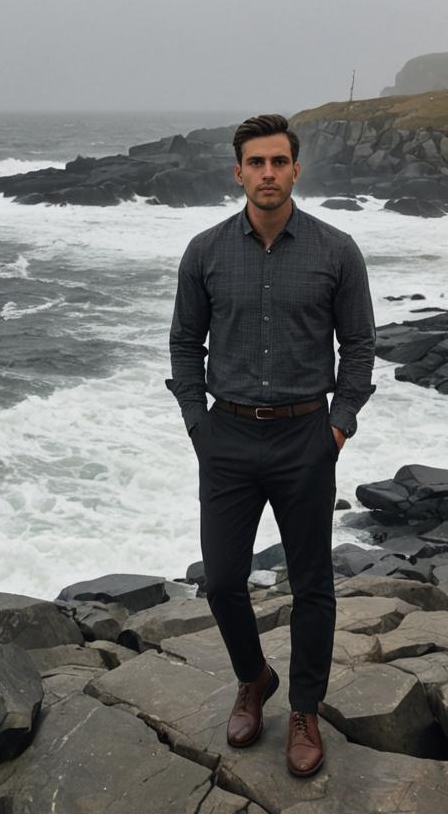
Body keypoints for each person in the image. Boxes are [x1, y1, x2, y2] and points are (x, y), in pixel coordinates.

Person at [166, 113, 376, 777]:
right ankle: (254, 678)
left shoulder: (336, 250)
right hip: (225, 434)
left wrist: (337, 425)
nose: (266, 174)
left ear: (295, 169)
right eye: (254, 163)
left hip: (304, 435)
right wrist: (198, 423)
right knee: (224, 579)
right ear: (237, 172)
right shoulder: (204, 252)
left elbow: (361, 345)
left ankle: (306, 710)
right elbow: (183, 342)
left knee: (312, 583)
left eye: (277, 162)